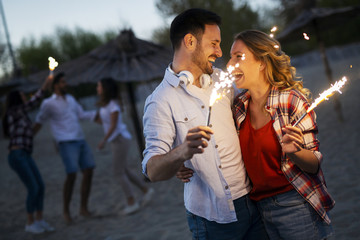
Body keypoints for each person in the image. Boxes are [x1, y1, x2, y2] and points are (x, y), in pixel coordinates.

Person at [142, 8, 267, 240]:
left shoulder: (222, 80)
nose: (219, 52)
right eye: (214, 43)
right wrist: (181, 153)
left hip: (255, 201)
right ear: (190, 41)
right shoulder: (160, 101)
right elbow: (152, 170)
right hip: (213, 218)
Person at [229, 30, 335, 239]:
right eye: (230, 57)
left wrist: (295, 153)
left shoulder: (291, 101)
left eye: (238, 56)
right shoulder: (238, 108)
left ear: (261, 62)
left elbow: (314, 163)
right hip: (258, 210)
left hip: (295, 205)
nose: (229, 64)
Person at [34, 72, 97, 224]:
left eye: (65, 81)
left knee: (88, 171)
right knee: (72, 175)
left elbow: (81, 115)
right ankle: (66, 211)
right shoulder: (48, 103)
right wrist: (28, 138)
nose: (65, 84)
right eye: (62, 82)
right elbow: (39, 120)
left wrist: (100, 115)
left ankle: (83, 208)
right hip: (66, 143)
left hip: (80, 139)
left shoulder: (70, 99)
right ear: (55, 85)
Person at [2, 76, 55, 234]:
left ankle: (39, 220)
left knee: (40, 186)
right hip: (17, 155)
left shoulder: (21, 115)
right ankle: (30, 222)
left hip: (25, 154)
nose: (25, 97)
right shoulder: (14, 111)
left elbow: (29, 133)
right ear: (17, 99)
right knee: (33, 187)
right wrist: (45, 85)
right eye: (22, 95)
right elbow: (34, 102)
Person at [95, 78, 154, 215]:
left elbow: (114, 125)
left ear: (105, 88)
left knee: (118, 172)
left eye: (99, 86)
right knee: (124, 170)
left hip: (120, 139)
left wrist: (103, 140)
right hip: (116, 140)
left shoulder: (113, 105)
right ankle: (146, 190)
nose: (97, 88)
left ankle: (131, 201)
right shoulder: (106, 104)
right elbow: (104, 122)